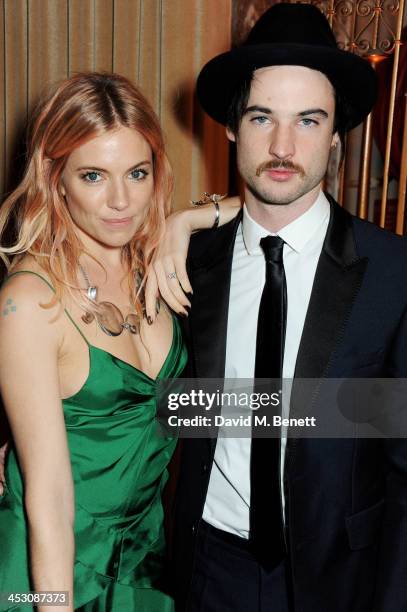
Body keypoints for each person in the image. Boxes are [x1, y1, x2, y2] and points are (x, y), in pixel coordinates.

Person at [149, 4, 407, 611]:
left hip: (343, 582)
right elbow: (160, 406)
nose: (284, 145)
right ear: (234, 126)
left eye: (309, 121)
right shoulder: (188, 264)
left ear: (336, 134)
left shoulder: (395, 273)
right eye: (263, 117)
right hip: (206, 571)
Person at [0, 72, 187, 611]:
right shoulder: (30, 303)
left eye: (137, 172)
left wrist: (196, 215)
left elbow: (284, 203)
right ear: (55, 177)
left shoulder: (155, 264)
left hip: (143, 560)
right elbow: (51, 496)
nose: (120, 201)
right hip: (48, 573)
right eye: (92, 176)